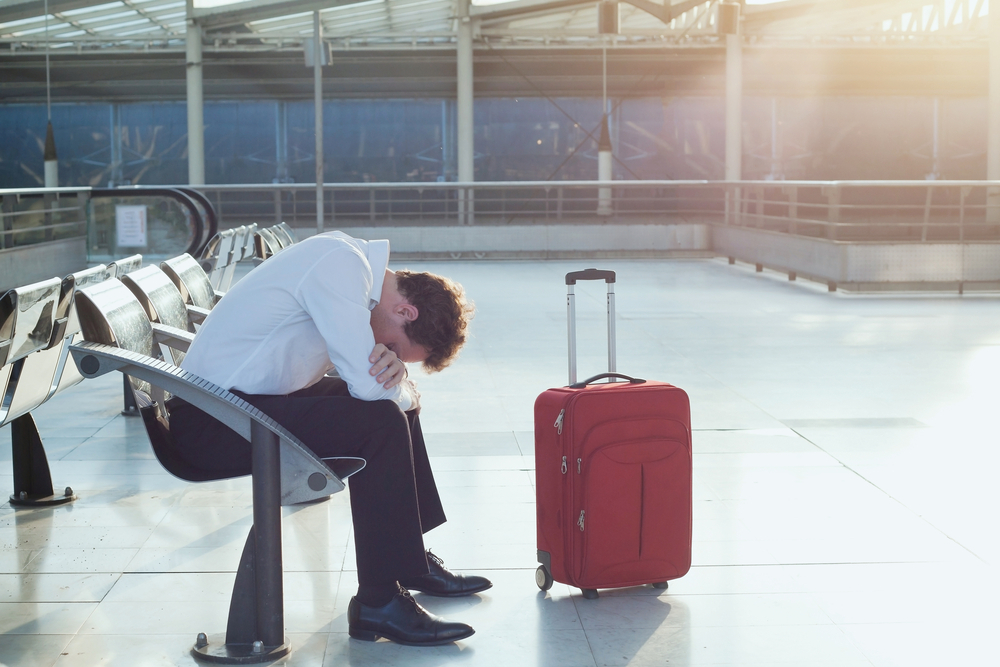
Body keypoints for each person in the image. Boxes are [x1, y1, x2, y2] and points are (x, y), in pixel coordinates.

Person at [167, 230, 490, 647]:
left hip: (241, 405)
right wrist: (401, 388)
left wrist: (399, 388)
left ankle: (409, 563)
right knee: (383, 418)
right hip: (211, 422)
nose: (381, 349)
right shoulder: (340, 266)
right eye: (391, 344)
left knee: (392, 411)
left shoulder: (348, 263)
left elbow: (375, 386)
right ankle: (379, 601)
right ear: (405, 310)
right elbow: (371, 387)